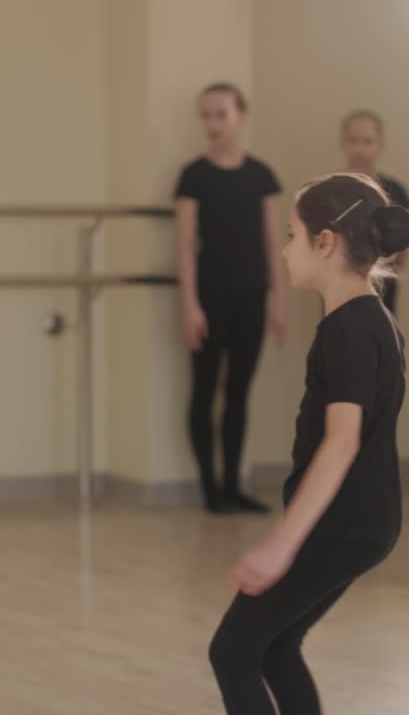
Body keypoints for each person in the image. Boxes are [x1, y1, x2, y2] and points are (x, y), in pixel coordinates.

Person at [208, 173, 409, 714]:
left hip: (342, 525)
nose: (283, 251)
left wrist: (284, 541)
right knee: (275, 648)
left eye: (292, 235)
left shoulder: (349, 330)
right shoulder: (374, 319)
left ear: (324, 243)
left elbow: (342, 442)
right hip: (365, 524)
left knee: (232, 651)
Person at [175, 83, 287, 514]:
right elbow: (185, 245)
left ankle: (233, 483)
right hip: (209, 296)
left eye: (221, 114)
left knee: (238, 391)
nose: (212, 124)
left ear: (240, 116)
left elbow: (272, 239)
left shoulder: (261, 175)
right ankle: (210, 489)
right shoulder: (193, 176)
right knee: (204, 390)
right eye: (206, 115)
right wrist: (190, 305)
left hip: (252, 295)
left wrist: (278, 299)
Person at [340, 109, 409, 315]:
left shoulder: (395, 192)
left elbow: (403, 252)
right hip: (337, 287)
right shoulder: (332, 189)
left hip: (381, 289)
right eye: (353, 140)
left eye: (367, 141)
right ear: (343, 143)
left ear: (380, 145)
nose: (359, 148)